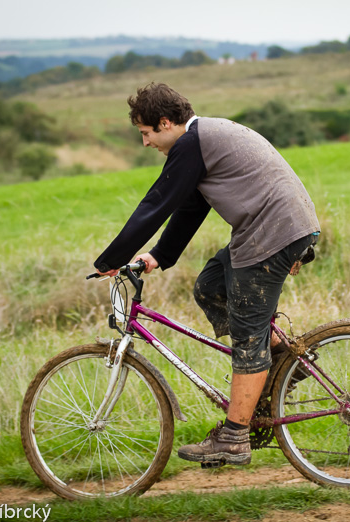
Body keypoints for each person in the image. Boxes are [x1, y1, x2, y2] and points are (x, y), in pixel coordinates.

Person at [94, 82, 320, 466]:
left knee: (248, 337)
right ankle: (283, 362)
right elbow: (189, 207)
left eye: (146, 133)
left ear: (165, 123)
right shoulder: (202, 139)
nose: (146, 143)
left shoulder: (192, 143)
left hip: (271, 234)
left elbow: (157, 203)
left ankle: (234, 437)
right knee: (210, 286)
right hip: (272, 230)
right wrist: (159, 256)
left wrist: (108, 260)